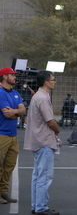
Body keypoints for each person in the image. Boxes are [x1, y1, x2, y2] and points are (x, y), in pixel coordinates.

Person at [24, 71, 60, 215]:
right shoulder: (43, 97)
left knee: (38, 175)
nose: (54, 81)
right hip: (44, 140)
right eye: (53, 79)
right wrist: (57, 130)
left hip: (37, 140)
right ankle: (41, 207)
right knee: (44, 175)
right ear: (46, 81)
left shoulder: (37, 96)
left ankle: (36, 205)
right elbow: (50, 121)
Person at [0, 67, 25, 204]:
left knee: (9, 165)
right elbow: (6, 113)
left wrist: (15, 111)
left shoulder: (15, 92)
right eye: (12, 74)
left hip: (13, 135)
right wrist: (18, 111)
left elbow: (23, 109)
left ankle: (3, 192)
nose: (15, 77)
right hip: (1, 134)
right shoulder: (0, 93)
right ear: (4, 77)